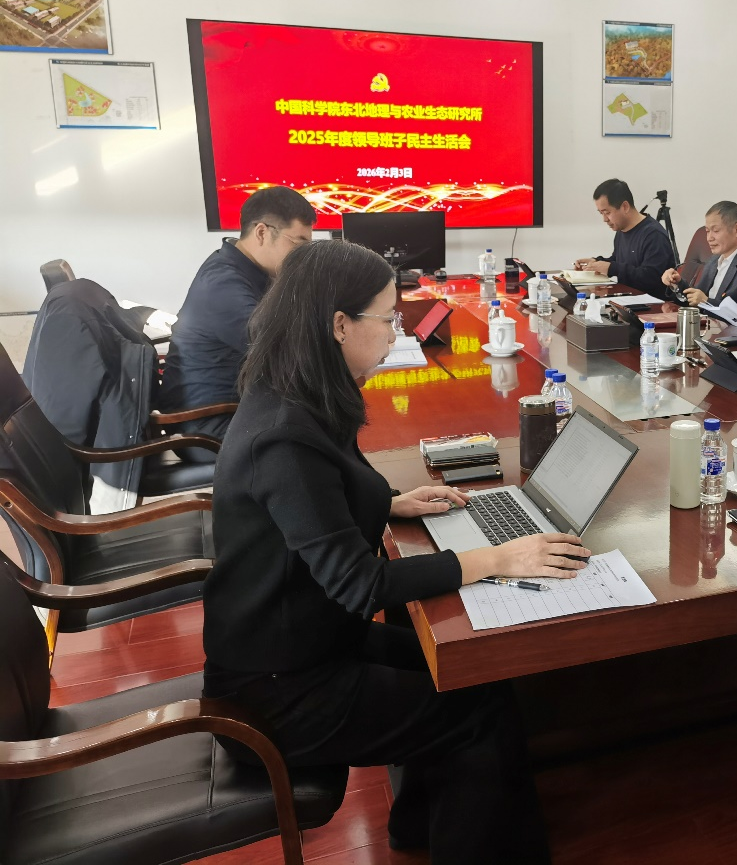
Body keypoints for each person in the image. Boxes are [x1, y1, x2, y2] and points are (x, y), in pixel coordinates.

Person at [201, 240, 586, 862]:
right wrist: (498, 559)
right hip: (278, 690)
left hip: (311, 642)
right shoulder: (284, 436)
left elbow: (320, 503)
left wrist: (390, 503)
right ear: (339, 325)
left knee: (474, 672)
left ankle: (419, 828)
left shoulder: (299, 394)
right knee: (475, 713)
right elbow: (362, 586)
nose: (396, 333)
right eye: (388, 319)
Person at [159, 186, 315, 459]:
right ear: (262, 233)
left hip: (238, 408)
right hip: (206, 427)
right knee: (317, 439)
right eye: (298, 244)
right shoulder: (224, 283)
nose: (302, 257)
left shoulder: (250, 272)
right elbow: (281, 350)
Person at [659, 201, 737, 311]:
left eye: (716, 230)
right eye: (707, 231)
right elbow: (696, 298)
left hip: (724, 326)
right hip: (704, 323)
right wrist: (677, 284)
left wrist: (707, 303)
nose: (709, 238)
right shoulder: (715, 259)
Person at [574, 178, 676, 297]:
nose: (604, 219)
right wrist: (596, 263)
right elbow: (619, 261)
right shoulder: (621, 230)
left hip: (652, 304)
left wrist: (611, 268)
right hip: (627, 300)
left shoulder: (654, 235)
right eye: (601, 213)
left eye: (607, 213)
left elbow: (651, 277)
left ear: (625, 207)